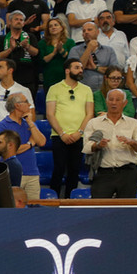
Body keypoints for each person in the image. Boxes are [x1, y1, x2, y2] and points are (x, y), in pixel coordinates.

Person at [44, 57, 95, 198]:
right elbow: (49, 114)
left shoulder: (87, 90)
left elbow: (90, 113)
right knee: (58, 169)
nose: (80, 70)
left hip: (79, 137)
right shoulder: (54, 88)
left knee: (74, 170)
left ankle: (69, 201)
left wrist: (79, 132)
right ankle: (52, 199)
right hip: (59, 136)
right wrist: (62, 133)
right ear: (67, 71)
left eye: (81, 68)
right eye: (77, 68)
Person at [83, 88, 137, 199]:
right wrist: (98, 145)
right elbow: (86, 147)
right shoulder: (94, 122)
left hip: (128, 172)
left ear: (125, 103)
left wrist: (131, 142)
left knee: (127, 211)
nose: (114, 102)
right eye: (111, 99)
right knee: (98, 210)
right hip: (103, 173)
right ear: (106, 102)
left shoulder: (133, 123)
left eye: (118, 100)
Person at [0, 92, 47, 200]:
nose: (29, 105)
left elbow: (41, 142)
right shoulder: (2, 126)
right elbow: (9, 150)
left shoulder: (29, 123)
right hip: (13, 174)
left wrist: (31, 123)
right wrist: (30, 143)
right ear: (17, 105)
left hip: (32, 173)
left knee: (34, 208)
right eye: (26, 102)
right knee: (13, 208)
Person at [0, 58, 32, 161]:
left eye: (0, 67)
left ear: (10, 70)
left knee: (17, 174)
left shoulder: (24, 91)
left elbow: (31, 115)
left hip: (17, 138)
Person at [0, 10, 40, 92]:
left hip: (28, 77)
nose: (19, 21)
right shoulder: (2, 39)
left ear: (23, 23)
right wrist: (11, 49)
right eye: (16, 19)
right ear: (10, 22)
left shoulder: (30, 37)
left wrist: (27, 46)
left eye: (21, 20)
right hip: (8, 76)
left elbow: (36, 53)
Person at [74, 19, 120, 93]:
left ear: (98, 32)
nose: (86, 32)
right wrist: (89, 49)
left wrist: (95, 68)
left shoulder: (109, 50)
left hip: (106, 91)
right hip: (83, 91)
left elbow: (114, 72)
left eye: (89, 30)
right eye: (84, 31)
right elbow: (75, 70)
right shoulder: (75, 50)